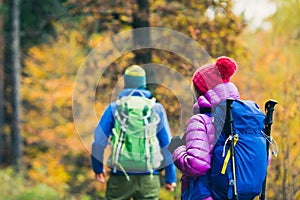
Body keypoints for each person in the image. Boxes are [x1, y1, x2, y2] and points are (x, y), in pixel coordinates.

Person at [91, 65, 177, 200]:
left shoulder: (115, 107)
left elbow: (98, 140)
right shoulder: (156, 108)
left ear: (126, 83)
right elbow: (167, 144)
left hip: (120, 175)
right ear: (143, 83)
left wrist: (98, 168)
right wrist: (170, 177)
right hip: (149, 176)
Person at [168, 56, 240, 200]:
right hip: (237, 193)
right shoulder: (243, 116)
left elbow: (196, 166)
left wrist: (177, 149)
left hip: (207, 194)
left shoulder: (200, 120)